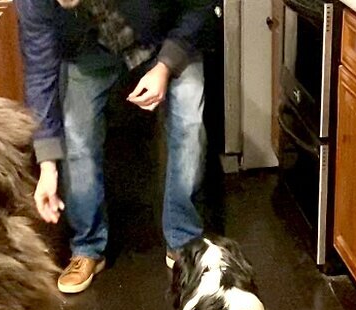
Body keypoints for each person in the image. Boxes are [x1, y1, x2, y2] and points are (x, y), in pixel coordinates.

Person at [18, 0, 216, 294]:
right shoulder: (33, 3)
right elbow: (39, 72)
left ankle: (183, 240)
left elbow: (199, 5)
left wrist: (166, 66)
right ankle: (87, 247)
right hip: (92, 50)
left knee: (189, 122)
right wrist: (47, 166)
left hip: (168, 35)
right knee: (77, 135)